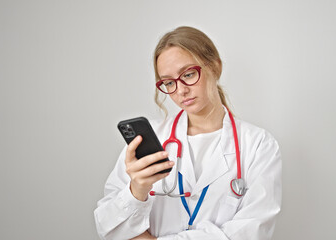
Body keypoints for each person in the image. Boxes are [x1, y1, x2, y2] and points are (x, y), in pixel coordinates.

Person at [94, 26, 282, 240]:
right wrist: (137, 190)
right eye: (169, 82)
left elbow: (251, 232)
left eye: (189, 74)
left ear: (215, 67)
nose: (181, 90)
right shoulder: (148, 139)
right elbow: (107, 227)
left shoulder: (258, 145)